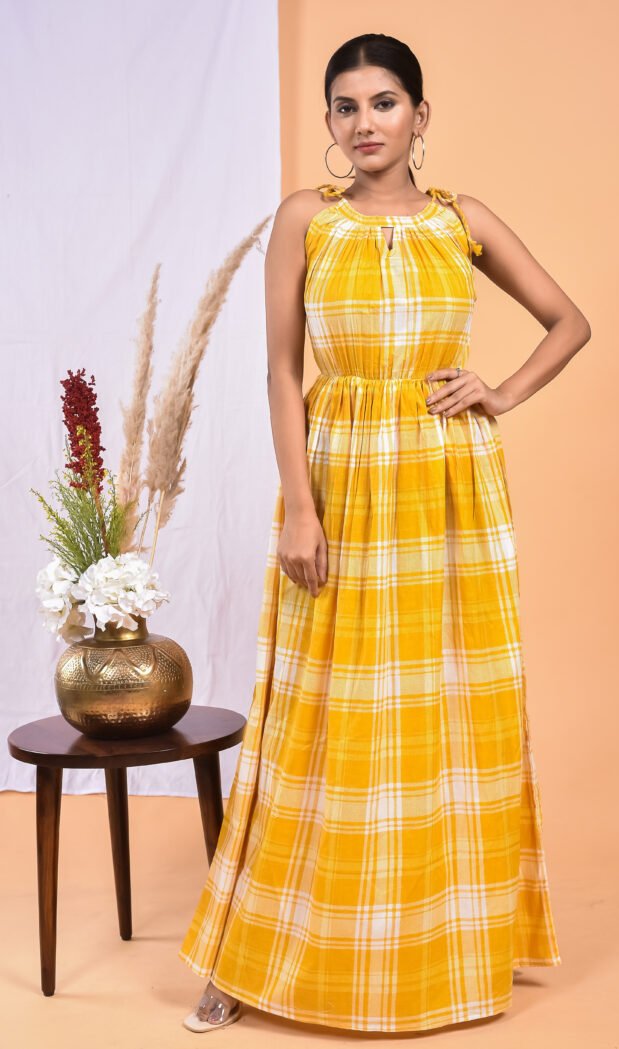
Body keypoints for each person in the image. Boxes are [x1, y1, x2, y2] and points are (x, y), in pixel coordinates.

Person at [180, 31, 589, 1035]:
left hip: (448, 494)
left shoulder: (463, 221)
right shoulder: (304, 223)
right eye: (347, 106)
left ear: (420, 115)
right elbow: (282, 371)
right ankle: (249, 956)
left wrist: (499, 391)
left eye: (385, 103)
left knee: (443, 717)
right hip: (340, 480)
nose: (365, 123)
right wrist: (302, 505)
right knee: (314, 716)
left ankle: (446, 948)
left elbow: (567, 320)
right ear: (328, 124)